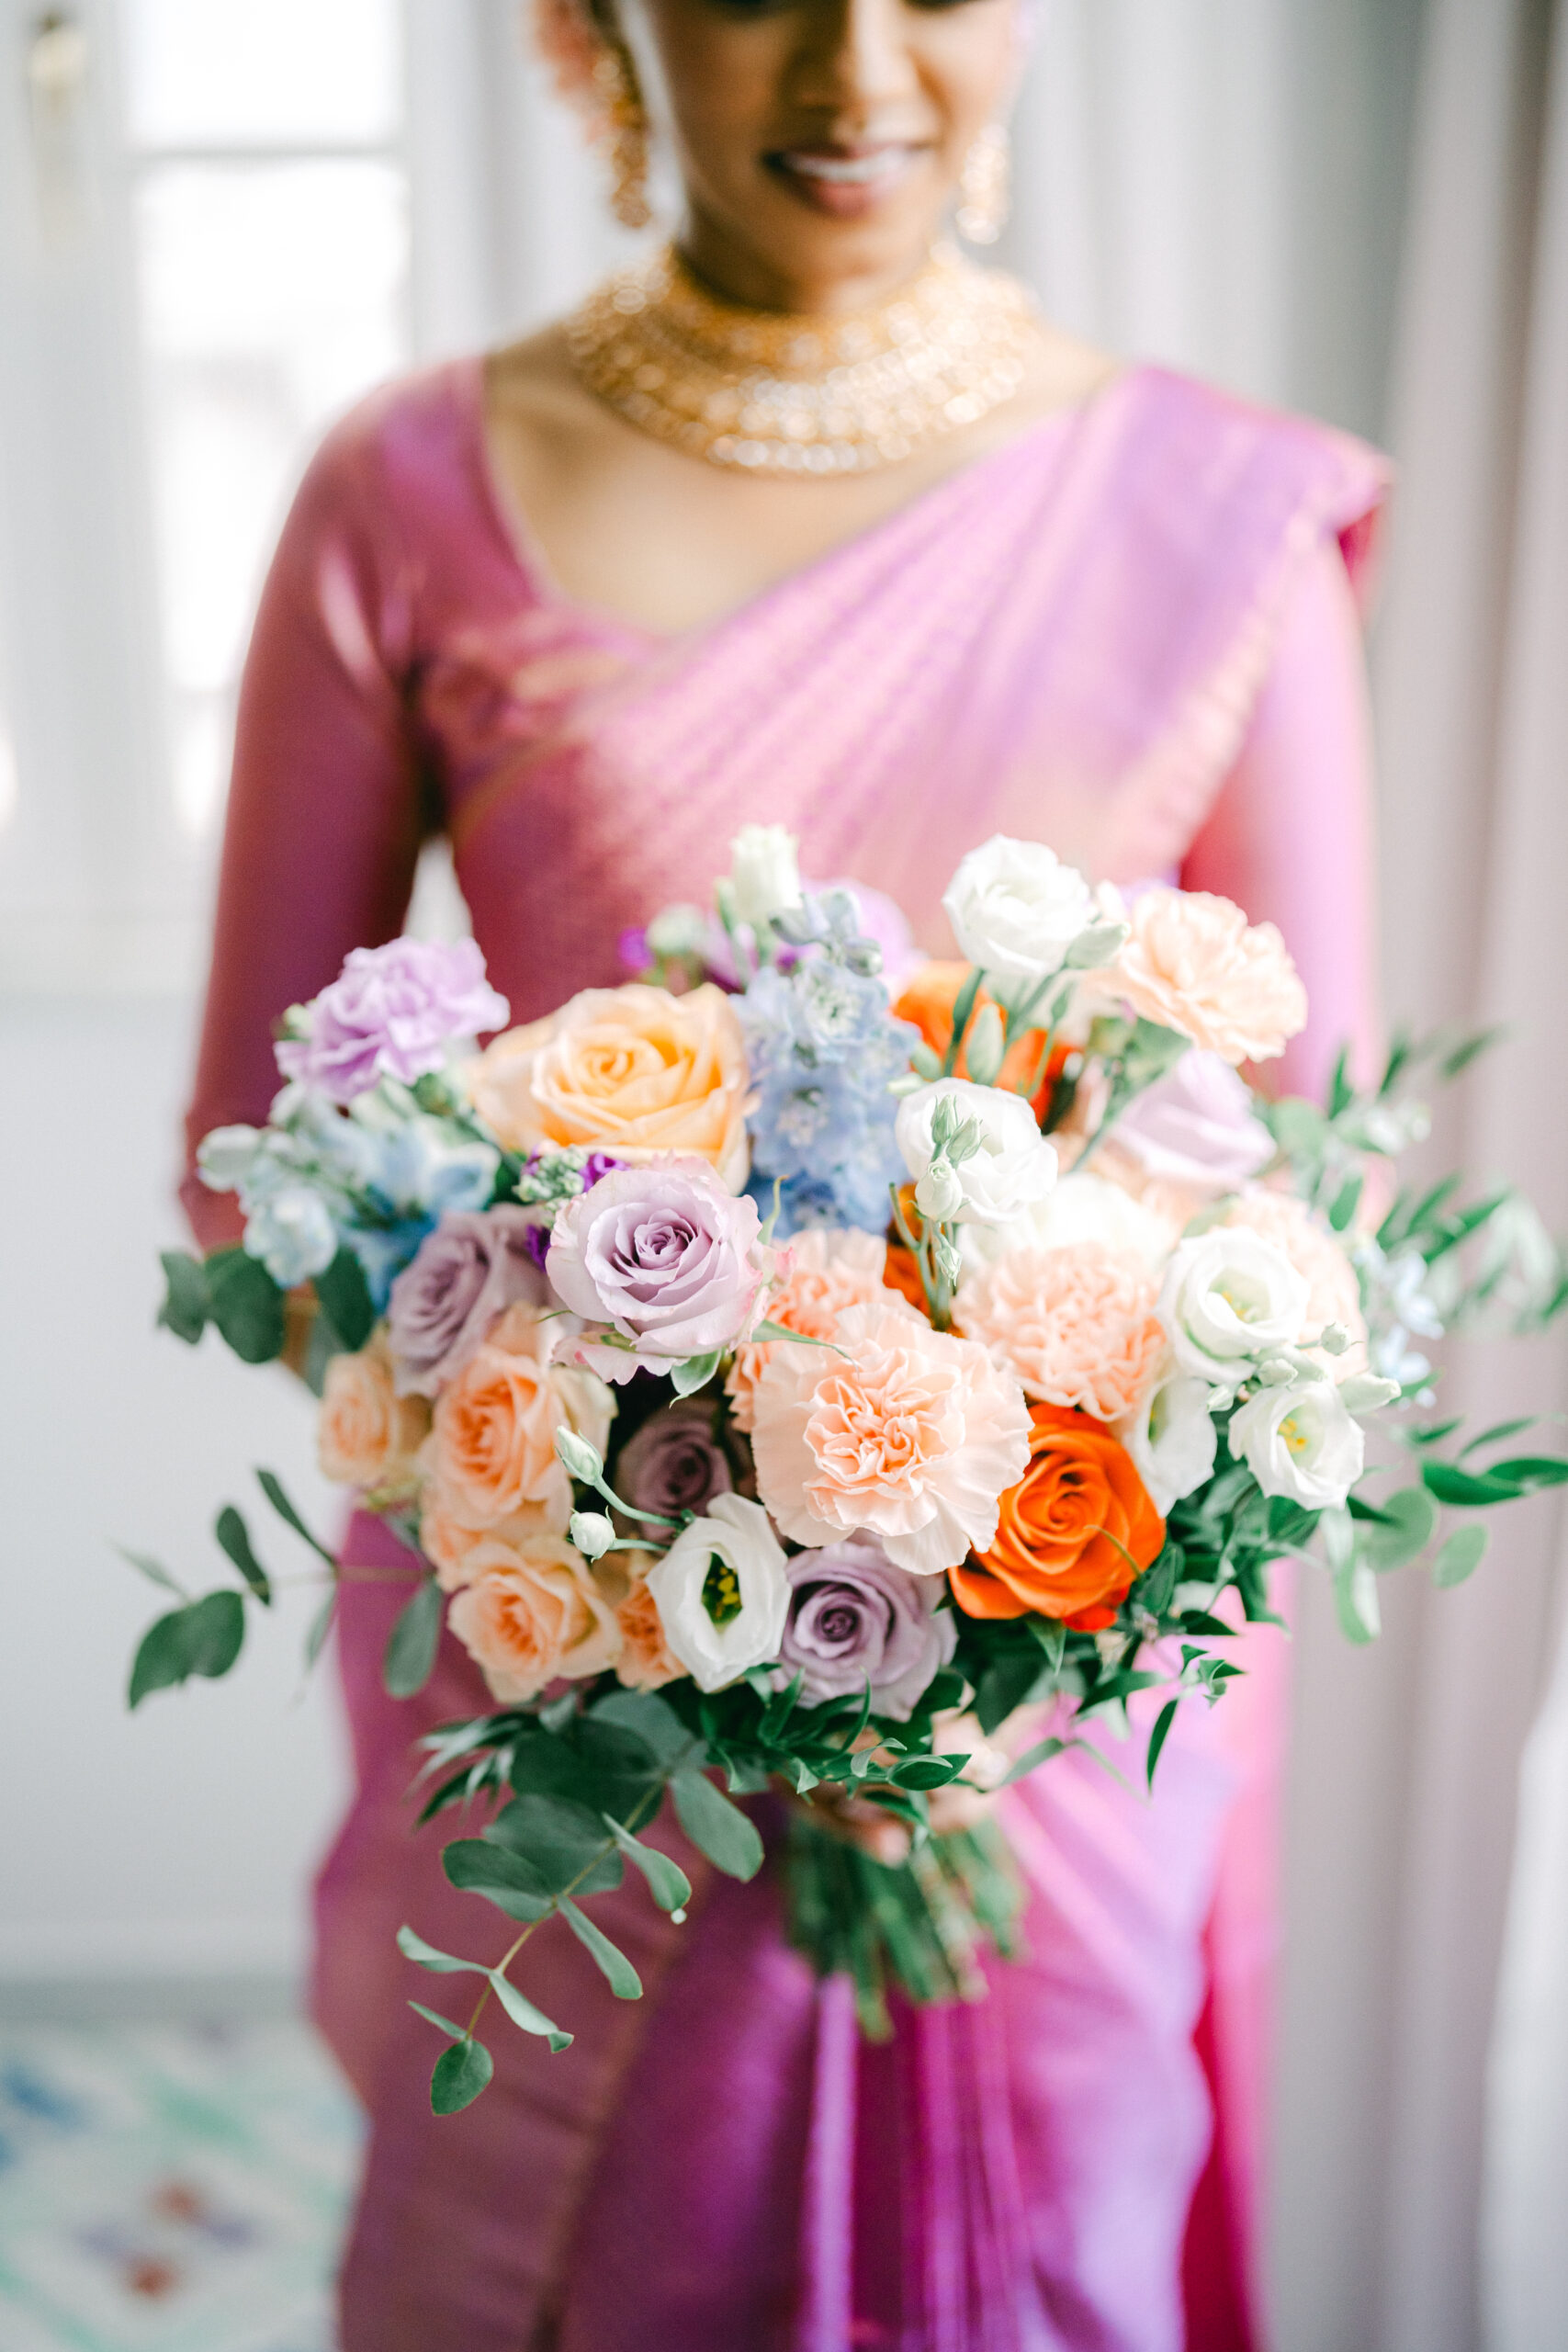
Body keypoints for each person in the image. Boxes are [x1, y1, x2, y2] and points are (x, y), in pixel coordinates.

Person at [183, 2, 1386, 2344]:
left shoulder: (1219, 514)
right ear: (593, 24)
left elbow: (1289, 1179)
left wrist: (965, 1665)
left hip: (1055, 1679)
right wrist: (647, 1567)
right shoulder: (408, 489)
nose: (853, 64)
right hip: (568, 1676)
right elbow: (266, 1164)